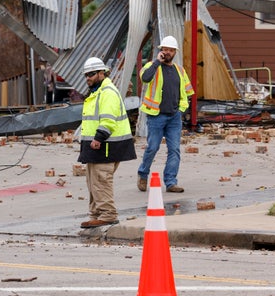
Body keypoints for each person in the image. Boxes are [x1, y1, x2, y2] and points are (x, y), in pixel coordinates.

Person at [78, 57, 136, 228]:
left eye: (91, 74)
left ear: (102, 73)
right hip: (95, 146)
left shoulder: (108, 92)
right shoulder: (97, 92)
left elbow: (108, 120)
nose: (88, 77)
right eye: (86, 75)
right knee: (93, 181)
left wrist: (98, 138)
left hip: (106, 145)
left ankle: (108, 214)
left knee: (101, 180)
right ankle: (96, 214)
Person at [137, 35, 195, 194]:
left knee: (174, 149)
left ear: (175, 52)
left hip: (174, 117)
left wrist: (182, 111)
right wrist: (157, 62)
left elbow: (187, 92)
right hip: (156, 116)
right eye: (165, 49)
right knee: (153, 147)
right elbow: (146, 78)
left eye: (170, 50)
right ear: (161, 50)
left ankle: (171, 182)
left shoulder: (180, 70)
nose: (167, 52)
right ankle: (143, 174)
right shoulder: (151, 66)